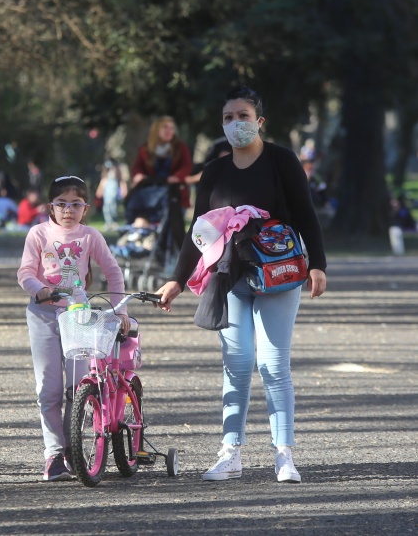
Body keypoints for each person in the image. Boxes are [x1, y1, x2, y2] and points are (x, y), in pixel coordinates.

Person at [154, 86, 327, 485]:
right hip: (229, 276)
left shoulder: (282, 161)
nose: (236, 124)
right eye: (229, 118)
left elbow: (306, 215)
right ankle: (230, 453)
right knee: (237, 364)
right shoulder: (214, 172)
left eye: (244, 116)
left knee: (272, 364)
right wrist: (176, 280)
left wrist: (317, 265)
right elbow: (198, 232)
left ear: (260, 121)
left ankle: (284, 456)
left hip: (279, 274)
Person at [17, 175, 131, 481]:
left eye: (75, 204)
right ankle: (54, 453)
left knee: (78, 388)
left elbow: (113, 272)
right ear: (50, 207)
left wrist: (120, 310)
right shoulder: (38, 233)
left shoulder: (90, 236)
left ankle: (73, 450)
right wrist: (39, 289)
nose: (68, 209)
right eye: (61, 203)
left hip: (78, 316)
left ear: (86, 208)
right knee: (48, 389)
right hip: (42, 314)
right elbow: (25, 271)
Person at [126, 116, 192, 226]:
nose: (169, 131)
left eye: (172, 128)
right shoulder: (146, 149)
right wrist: (138, 175)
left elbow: (187, 166)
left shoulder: (180, 147)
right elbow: (138, 167)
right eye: (165, 127)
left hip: (174, 193)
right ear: (157, 130)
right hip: (151, 192)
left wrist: (176, 177)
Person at [95, 160, 123, 231]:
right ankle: (108, 222)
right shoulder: (105, 176)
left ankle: (113, 222)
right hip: (106, 194)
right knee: (106, 208)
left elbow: (120, 182)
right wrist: (99, 191)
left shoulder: (115, 175)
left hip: (113, 193)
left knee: (112, 207)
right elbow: (102, 183)